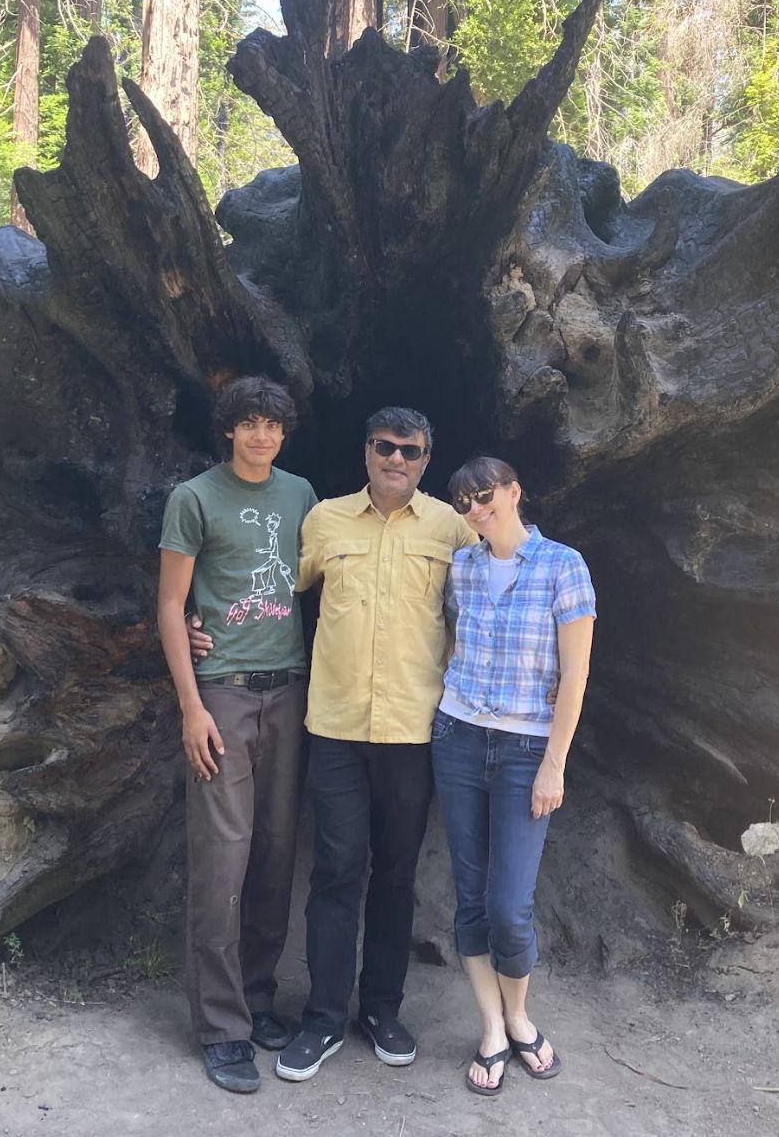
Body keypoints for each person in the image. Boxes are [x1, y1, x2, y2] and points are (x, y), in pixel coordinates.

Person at [189, 406, 476, 1083]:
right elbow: (262, 580)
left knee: (397, 872)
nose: (396, 459)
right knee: (337, 869)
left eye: (410, 449)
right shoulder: (323, 520)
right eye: (384, 446)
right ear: (367, 451)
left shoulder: (450, 528)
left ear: (426, 459)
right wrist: (197, 613)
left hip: (412, 728)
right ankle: (321, 1016)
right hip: (337, 726)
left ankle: (380, 1007)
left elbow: (496, 587)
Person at [158, 376, 317, 1093]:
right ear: (228, 430)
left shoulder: (302, 495)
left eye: (273, 424)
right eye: (248, 423)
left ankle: (257, 997)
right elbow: (170, 606)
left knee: (278, 851)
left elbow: (324, 581)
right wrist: (192, 707)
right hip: (223, 692)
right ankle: (221, 1025)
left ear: (285, 431)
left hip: (291, 688)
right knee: (223, 855)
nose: (261, 435)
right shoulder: (193, 497)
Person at [433, 456, 595, 1096]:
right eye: (465, 501)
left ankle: (521, 1014)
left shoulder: (563, 565)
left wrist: (554, 762)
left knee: (510, 905)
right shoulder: (463, 568)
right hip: (458, 737)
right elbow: (445, 640)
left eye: (486, 494)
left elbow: (576, 675)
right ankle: (493, 1026)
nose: (477, 507)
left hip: (528, 747)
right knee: (470, 894)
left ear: (514, 492)